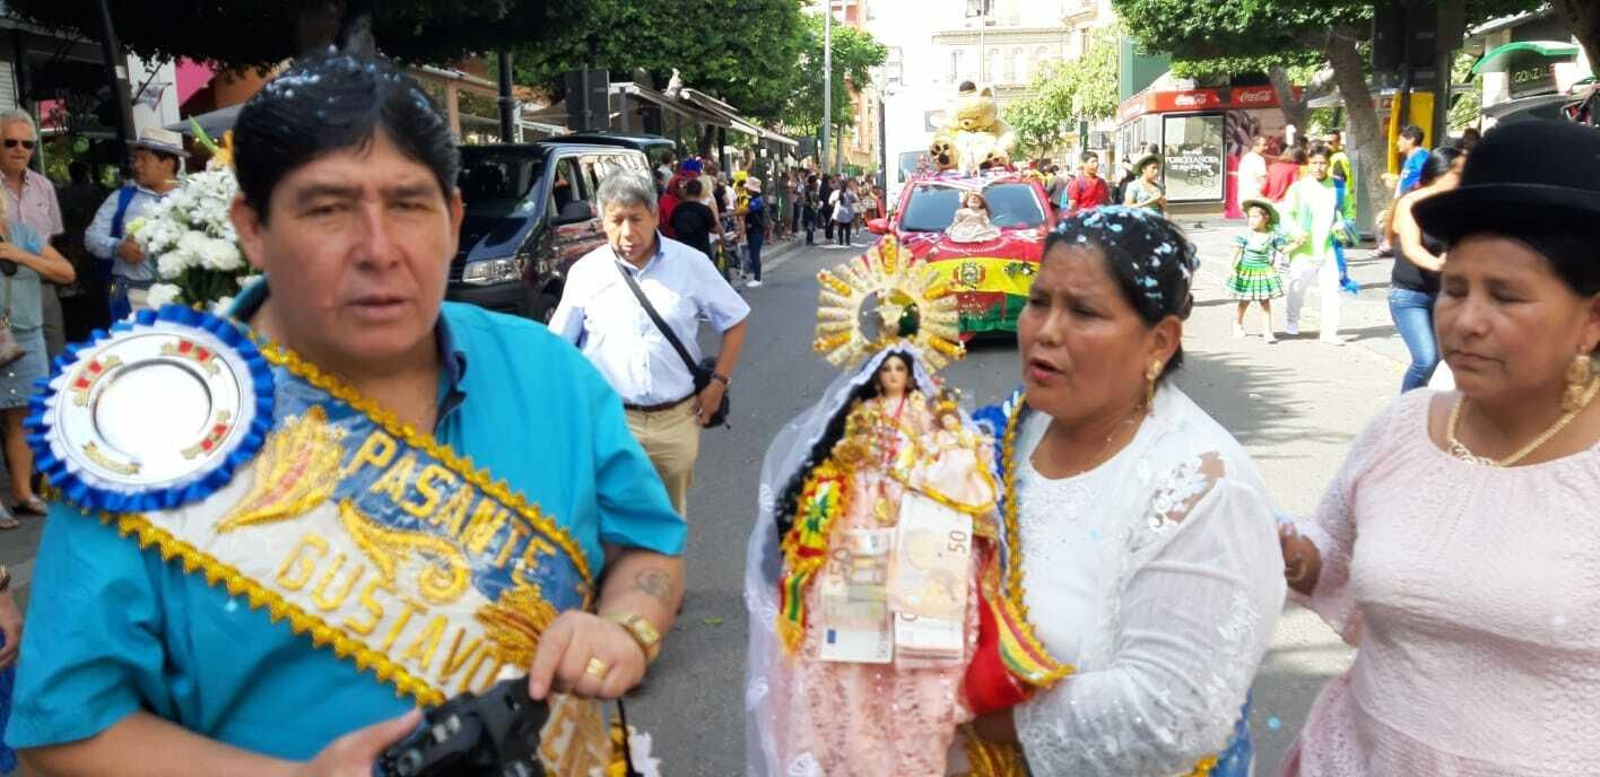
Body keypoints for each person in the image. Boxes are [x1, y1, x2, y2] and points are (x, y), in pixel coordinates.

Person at [12, 52, 686, 774]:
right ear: (252, 228)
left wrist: (626, 627)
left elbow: (647, 548)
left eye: (409, 205)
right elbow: (65, 728)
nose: (378, 250)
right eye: (327, 209)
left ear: (454, 219)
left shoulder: (550, 373)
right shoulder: (144, 424)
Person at [1275, 119, 1600, 777]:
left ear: (1591, 319)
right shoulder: (1403, 428)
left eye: (1505, 296)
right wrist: (1291, 554)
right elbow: (1335, 551)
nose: (1466, 320)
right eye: (1454, 289)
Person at [963, 206, 1283, 775]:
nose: (1046, 331)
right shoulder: (1005, 432)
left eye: (1083, 312)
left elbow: (1171, 713)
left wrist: (969, 716)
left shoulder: (1201, 486)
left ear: (1159, 341)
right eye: (1038, 302)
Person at [745, 238, 989, 776]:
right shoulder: (850, 422)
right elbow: (816, 477)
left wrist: (930, 467)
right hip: (856, 545)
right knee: (851, 656)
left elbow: (963, 475)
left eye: (901, 370)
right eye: (886, 370)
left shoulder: (937, 418)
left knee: (920, 665)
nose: (893, 379)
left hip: (922, 541)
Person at [549, 170, 750, 519]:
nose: (628, 232)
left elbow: (735, 321)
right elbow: (557, 349)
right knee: (610, 524)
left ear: (655, 215)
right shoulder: (585, 273)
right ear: (602, 221)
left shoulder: (691, 264)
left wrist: (718, 384)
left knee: (666, 522)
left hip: (676, 421)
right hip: (610, 423)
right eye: (617, 221)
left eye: (636, 218)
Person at [0, 190, 75, 529]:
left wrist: (22, 256)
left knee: (24, 416)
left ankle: (22, 492)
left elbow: (66, 272)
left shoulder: (22, 234)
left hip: (26, 336)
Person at [1385, 146, 1465, 393]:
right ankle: (1403, 408)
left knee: (1444, 359)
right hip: (1409, 296)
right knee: (1426, 359)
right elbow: (1411, 249)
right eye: (1458, 173)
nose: (1464, 179)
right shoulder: (1411, 203)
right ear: (1440, 173)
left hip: (1443, 295)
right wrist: (1439, 264)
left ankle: (1427, 407)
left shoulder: (1456, 207)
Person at [85, 127, 186, 318]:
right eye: (135, 159)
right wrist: (117, 247)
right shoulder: (121, 198)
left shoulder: (191, 198)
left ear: (167, 163)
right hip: (134, 296)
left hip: (183, 297)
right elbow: (91, 238)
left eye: (143, 160)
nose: (136, 165)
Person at [0, 110, 65, 361]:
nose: (20, 149)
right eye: (11, 142)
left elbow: (51, 239)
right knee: (12, 367)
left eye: (27, 144)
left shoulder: (43, 186)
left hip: (43, 288)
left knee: (57, 358)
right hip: (7, 292)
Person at [1281, 143, 1345, 345]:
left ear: (1329, 164)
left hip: (1328, 247)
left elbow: (1347, 212)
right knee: (1297, 288)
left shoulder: (1338, 187)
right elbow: (1286, 214)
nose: (1318, 167)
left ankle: (1329, 332)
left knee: (1331, 291)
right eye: (1314, 163)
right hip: (1303, 248)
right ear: (1308, 163)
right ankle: (1292, 320)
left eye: (1322, 163)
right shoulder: (1298, 188)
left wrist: (1342, 225)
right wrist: (1295, 231)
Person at [1228, 198, 1292, 343]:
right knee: (1244, 301)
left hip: (1264, 271)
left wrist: (1298, 243)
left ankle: (1267, 332)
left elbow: (1283, 249)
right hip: (1246, 271)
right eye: (1250, 217)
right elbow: (1235, 253)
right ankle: (1238, 323)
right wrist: (1231, 267)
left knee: (1265, 302)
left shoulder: (1273, 235)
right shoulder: (1244, 235)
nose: (1251, 220)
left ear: (1266, 218)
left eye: (1255, 217)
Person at [669, 177, 718, 262]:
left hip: (683, 252)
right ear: (700, 192)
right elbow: (714, 229)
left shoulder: (678, 209)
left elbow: (672, 226)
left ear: (687, 191)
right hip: (702, 253)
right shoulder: (705, 210)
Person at [744, 177, 767, 289]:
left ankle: (757, 278)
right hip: (753, 229)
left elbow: (746, 211)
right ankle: (756, 276)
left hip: (756, 230)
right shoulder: (753, 199)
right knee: (753, 253)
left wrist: (728, 214)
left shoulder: (757, 201)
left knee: (755, 253)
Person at [1237, 135, 1269, 205]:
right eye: (1264, 145)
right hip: (1256, 198)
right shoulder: (1258, 159)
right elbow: (1262, 180)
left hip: (1243, 198)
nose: (1266, 148)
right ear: (1255, 146)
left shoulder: (1246, 157)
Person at [831, 179, 856, 246]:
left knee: (840, 228)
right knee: (848, 229)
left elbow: (831, 202)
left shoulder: (836, 193)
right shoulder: (849, 193)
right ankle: (847, 241)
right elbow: (854, 200)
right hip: (848, 213)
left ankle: (841, 241)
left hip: (839, 213)